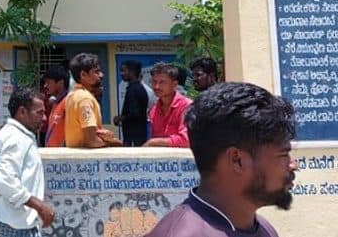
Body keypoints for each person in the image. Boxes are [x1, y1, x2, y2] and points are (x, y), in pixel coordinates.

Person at [146, 82, 297, 236]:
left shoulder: (264, 230)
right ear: (237, 160)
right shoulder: (183, 233)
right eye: (283, 155)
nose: (293, 165)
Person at [0, 87, 54, 236]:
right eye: (39, 113)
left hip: (13, 224)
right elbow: (6, 181)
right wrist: (40, 206)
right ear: (22, 112)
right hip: (14, 229)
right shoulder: (16, 138)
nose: (44, 118)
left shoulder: (17, 134)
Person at [64, 53, 122, 148]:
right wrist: (114, 143)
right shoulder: (84, 99)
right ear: (83, 74)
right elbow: (91, 141)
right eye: (96, 72)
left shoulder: (73, 95)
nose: (101, 75)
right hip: (85, 159)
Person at [144, 63, 192, 147]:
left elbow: (186, 140)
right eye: (154, 82)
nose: (157, 86)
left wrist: (153, 142)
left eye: (162, 82)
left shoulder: (186, 106)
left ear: (174, 84)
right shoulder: (153, 110)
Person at [113, 60, 149, 147]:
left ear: (132, 72)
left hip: (134, 136)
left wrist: (119, 118)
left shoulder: (134, 89)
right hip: (138, 134)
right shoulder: (137, 87)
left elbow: (134, 113)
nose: (121, 73)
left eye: (123, 70)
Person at [43, 65, 69, 147]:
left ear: (60, 83)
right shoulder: (56, 103)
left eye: (48, 82)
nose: (45, 86)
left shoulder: (68, 102)